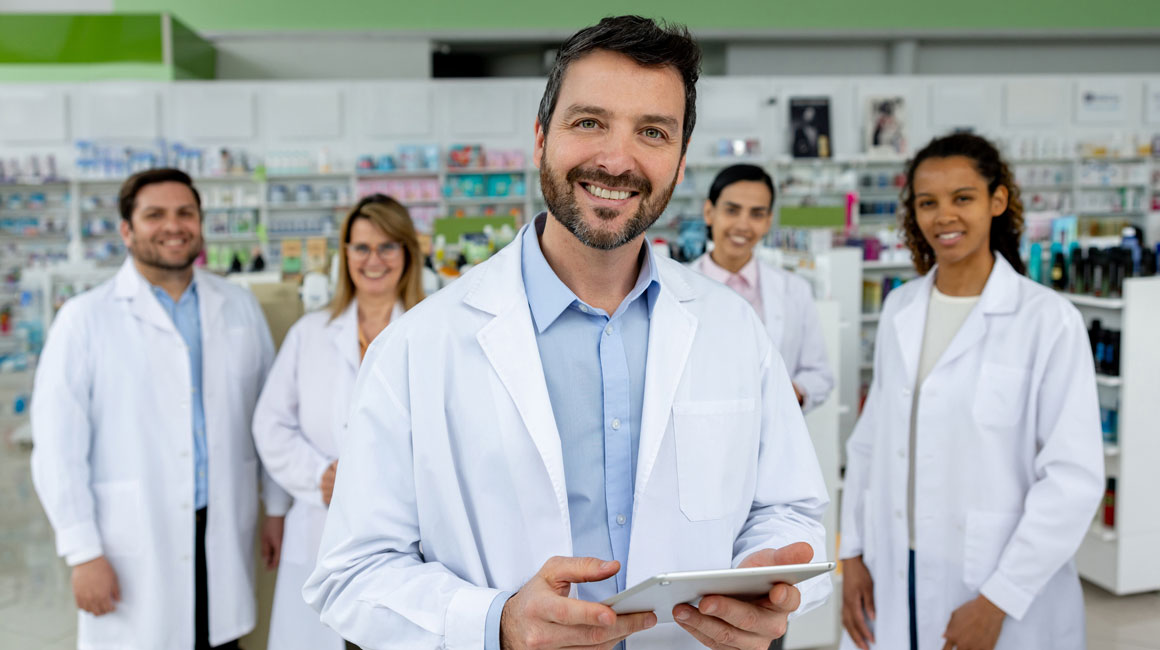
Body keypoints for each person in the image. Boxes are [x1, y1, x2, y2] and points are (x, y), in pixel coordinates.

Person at [304, 15, 830, 650]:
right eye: (588, 122)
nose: (616, 158)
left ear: (680, 162)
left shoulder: (732, 330)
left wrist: (765, 584)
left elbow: (789, 510)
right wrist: (496, 621)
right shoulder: (420, 346)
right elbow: (350, 575)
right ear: (540, 138)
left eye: (652, 132)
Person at [838, 133, 1104, 650]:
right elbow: (870, 444)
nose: (944, 216)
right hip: (895, 567)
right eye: (927, 202)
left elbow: (1073, 479)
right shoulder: (901, 310)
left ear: (996, 201)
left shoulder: (1047, 320)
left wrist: (998, 599)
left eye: (963, 198)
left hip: (996, 581)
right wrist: (851, 554)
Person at [30, 168, 291, 649]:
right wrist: (83, 553)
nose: (174, 226)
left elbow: (270, 419)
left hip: (221, 523)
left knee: (218, 640)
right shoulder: (84, 319)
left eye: (185, 213)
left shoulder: (237, 306)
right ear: (127, 230)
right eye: (155, 215)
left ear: (200, 222)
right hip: (131, 538)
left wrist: (275, 509)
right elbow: (57, 450)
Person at [252, 194, 426, 650]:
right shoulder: (309, 334)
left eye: (388, 247)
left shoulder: (432, 332)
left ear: (408, 253)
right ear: (344, 254)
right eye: (361, 247)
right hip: (320, 527)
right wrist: (318, 475)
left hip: (413, 535)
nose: (374, 260)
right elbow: (270, 423)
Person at [692, 164, 835, 413]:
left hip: (772, 436)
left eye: (756, 214)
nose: (743, 225)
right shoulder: (674, 288)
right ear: (709, 212)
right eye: (732, 210)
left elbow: (820, 375)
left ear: (768, 221)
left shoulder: (794, 290)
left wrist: (792, 392)